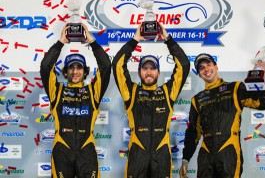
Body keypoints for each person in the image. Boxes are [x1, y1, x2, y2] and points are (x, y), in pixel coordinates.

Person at [112, 24, 190, 178]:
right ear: (140, 72)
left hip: (161, 154)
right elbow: (118, 65)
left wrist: (168, 39)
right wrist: (135, 40)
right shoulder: (131, 92)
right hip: (137, 154)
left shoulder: (168, 92)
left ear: (158, 72)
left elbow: (184, 65)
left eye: (152, 68)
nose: (148, 71)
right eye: (144, 68)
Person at [179, 53, 265, 178]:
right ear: (199, 74)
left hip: (229, 151)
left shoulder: (235, 88)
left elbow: (261, 103)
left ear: (216, 67)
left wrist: (262, 78)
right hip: (206, 154)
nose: (206, 69)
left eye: (208, 65)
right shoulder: (197, 99)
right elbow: (193, 132)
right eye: (201, 68)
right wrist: (185, 159)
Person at [40, 23, 111, 178]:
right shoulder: (57, 91)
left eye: (79, 67)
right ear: (65, 72)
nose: (75, 71)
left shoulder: (93, 91)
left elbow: (106, 66)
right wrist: (60, 43)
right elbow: (46, 66)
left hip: (86, 149)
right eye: (71, 67)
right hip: (62, 149)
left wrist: (92, 41)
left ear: (85, 71)